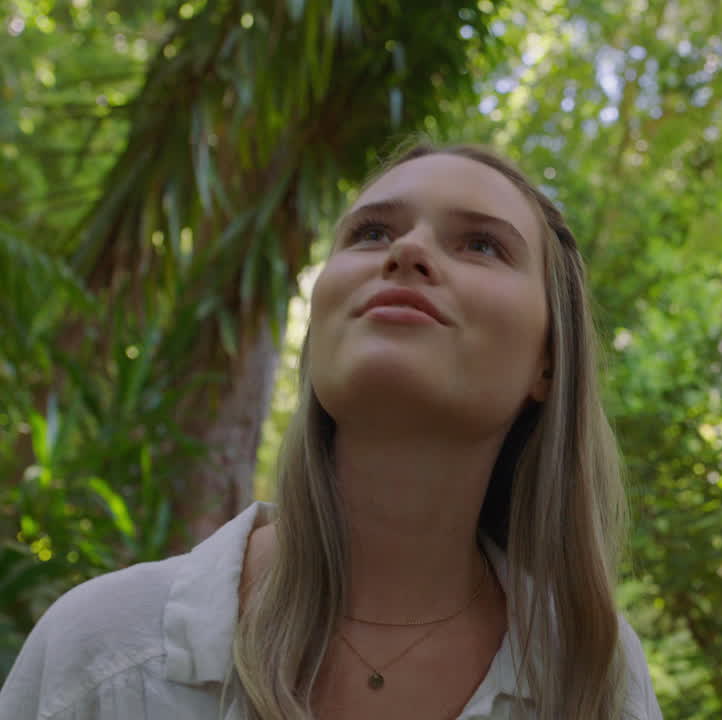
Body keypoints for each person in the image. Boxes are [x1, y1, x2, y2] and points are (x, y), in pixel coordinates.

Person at [0, 139, 663, 719]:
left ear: (549, 362)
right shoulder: (101, 654)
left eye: (482, 244)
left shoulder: (595, 681)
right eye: (371, 233)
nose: (408, 250)